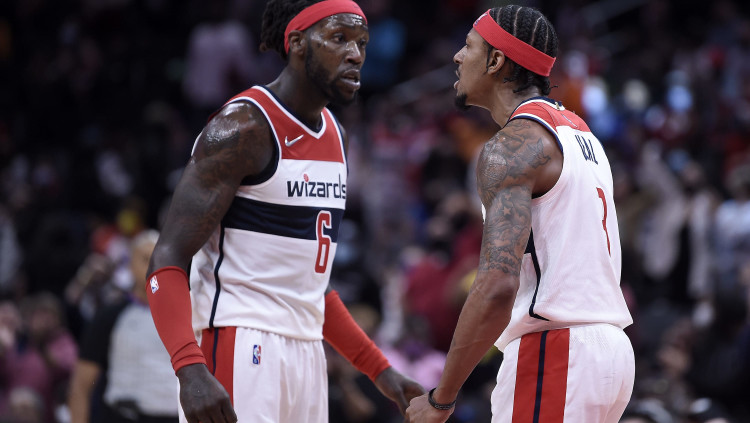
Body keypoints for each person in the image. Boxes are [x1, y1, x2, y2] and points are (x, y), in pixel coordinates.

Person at [145, 1, 424, 422]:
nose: (355, 54)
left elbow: (310, 289)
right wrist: (189, 367)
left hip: (307, 351)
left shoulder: (338, 136)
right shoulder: (244, 127)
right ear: (297, 42)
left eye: (362, 43)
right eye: (339, 38)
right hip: (240, 340)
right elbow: (167, 257)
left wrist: (380, 371)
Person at [405, 5, 634, 423]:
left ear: (495, 60)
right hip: (610, 352)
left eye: (468, 46)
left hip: (557, 350)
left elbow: (497, 284)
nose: (457, 56)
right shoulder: (581, 134)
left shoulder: (511, 147)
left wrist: (442, 398)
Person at [68, 230, 179, 423]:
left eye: (159, 259)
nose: (153, 266)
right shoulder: (109, 316)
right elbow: (81, 386)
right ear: (130, 265)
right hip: (123, 416)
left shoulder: (187, 316)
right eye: (145, 259)